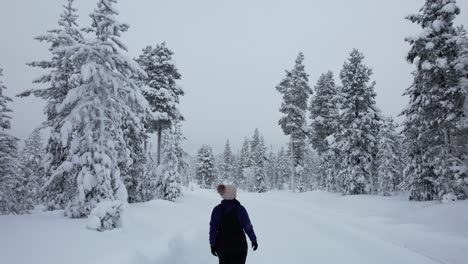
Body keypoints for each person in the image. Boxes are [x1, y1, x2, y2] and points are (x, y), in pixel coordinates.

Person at [209, 184, 258, 264]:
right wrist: (253, 240)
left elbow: (213, 229)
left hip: (222, 247)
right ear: (232, 195)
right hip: (239, 247)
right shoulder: (241, 209)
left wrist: (212, 244)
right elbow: (248, 226)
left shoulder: (217, 210)